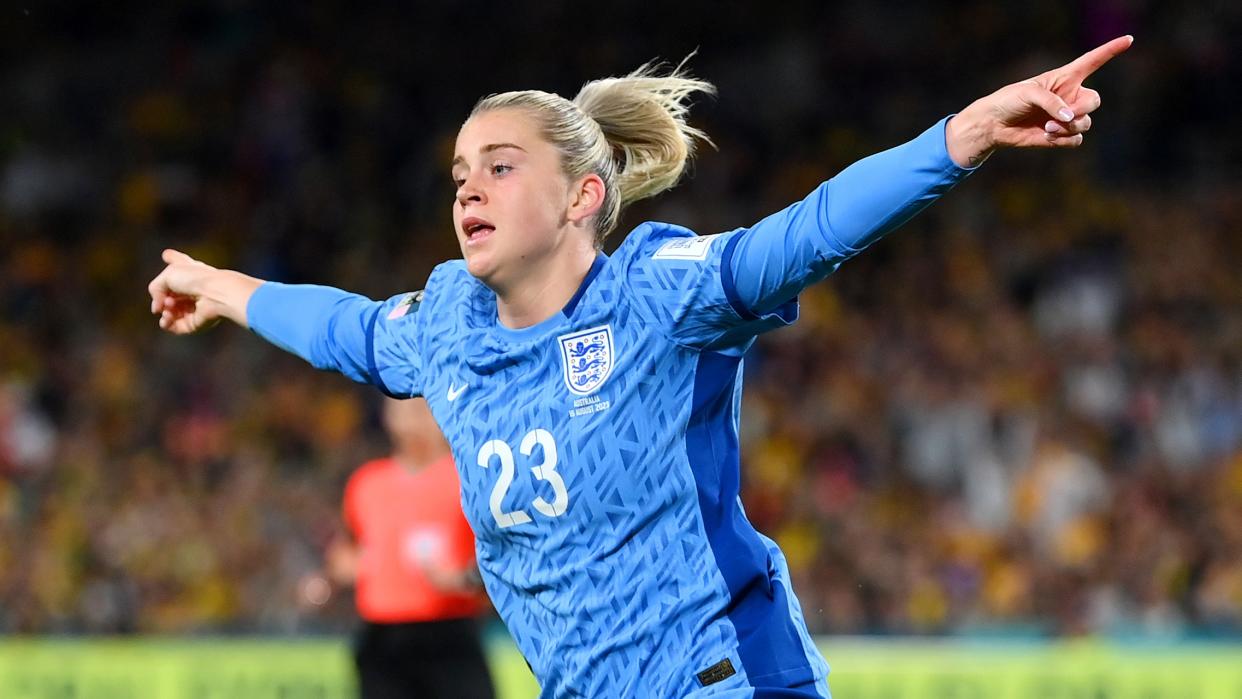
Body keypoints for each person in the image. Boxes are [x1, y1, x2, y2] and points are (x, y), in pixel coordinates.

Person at [148, 36, 1133, 698]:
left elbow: (809, 234)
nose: (469, 191)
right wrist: (223, 287)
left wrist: (960, 138)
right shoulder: (447, 318)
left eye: (500, 166)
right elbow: (349, 331)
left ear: (581, 197)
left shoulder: (659, 292)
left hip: (724, 678)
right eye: (459, 174)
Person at [325, 396, 494, 699]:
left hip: (449, 633)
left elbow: (499, 555)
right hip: (383, 637)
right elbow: (346, 549)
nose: (411, 420)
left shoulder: (469, 478)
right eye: (402, 408)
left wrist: (464, 578)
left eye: (420, 410)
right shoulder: (367, 483)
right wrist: (347, 566)